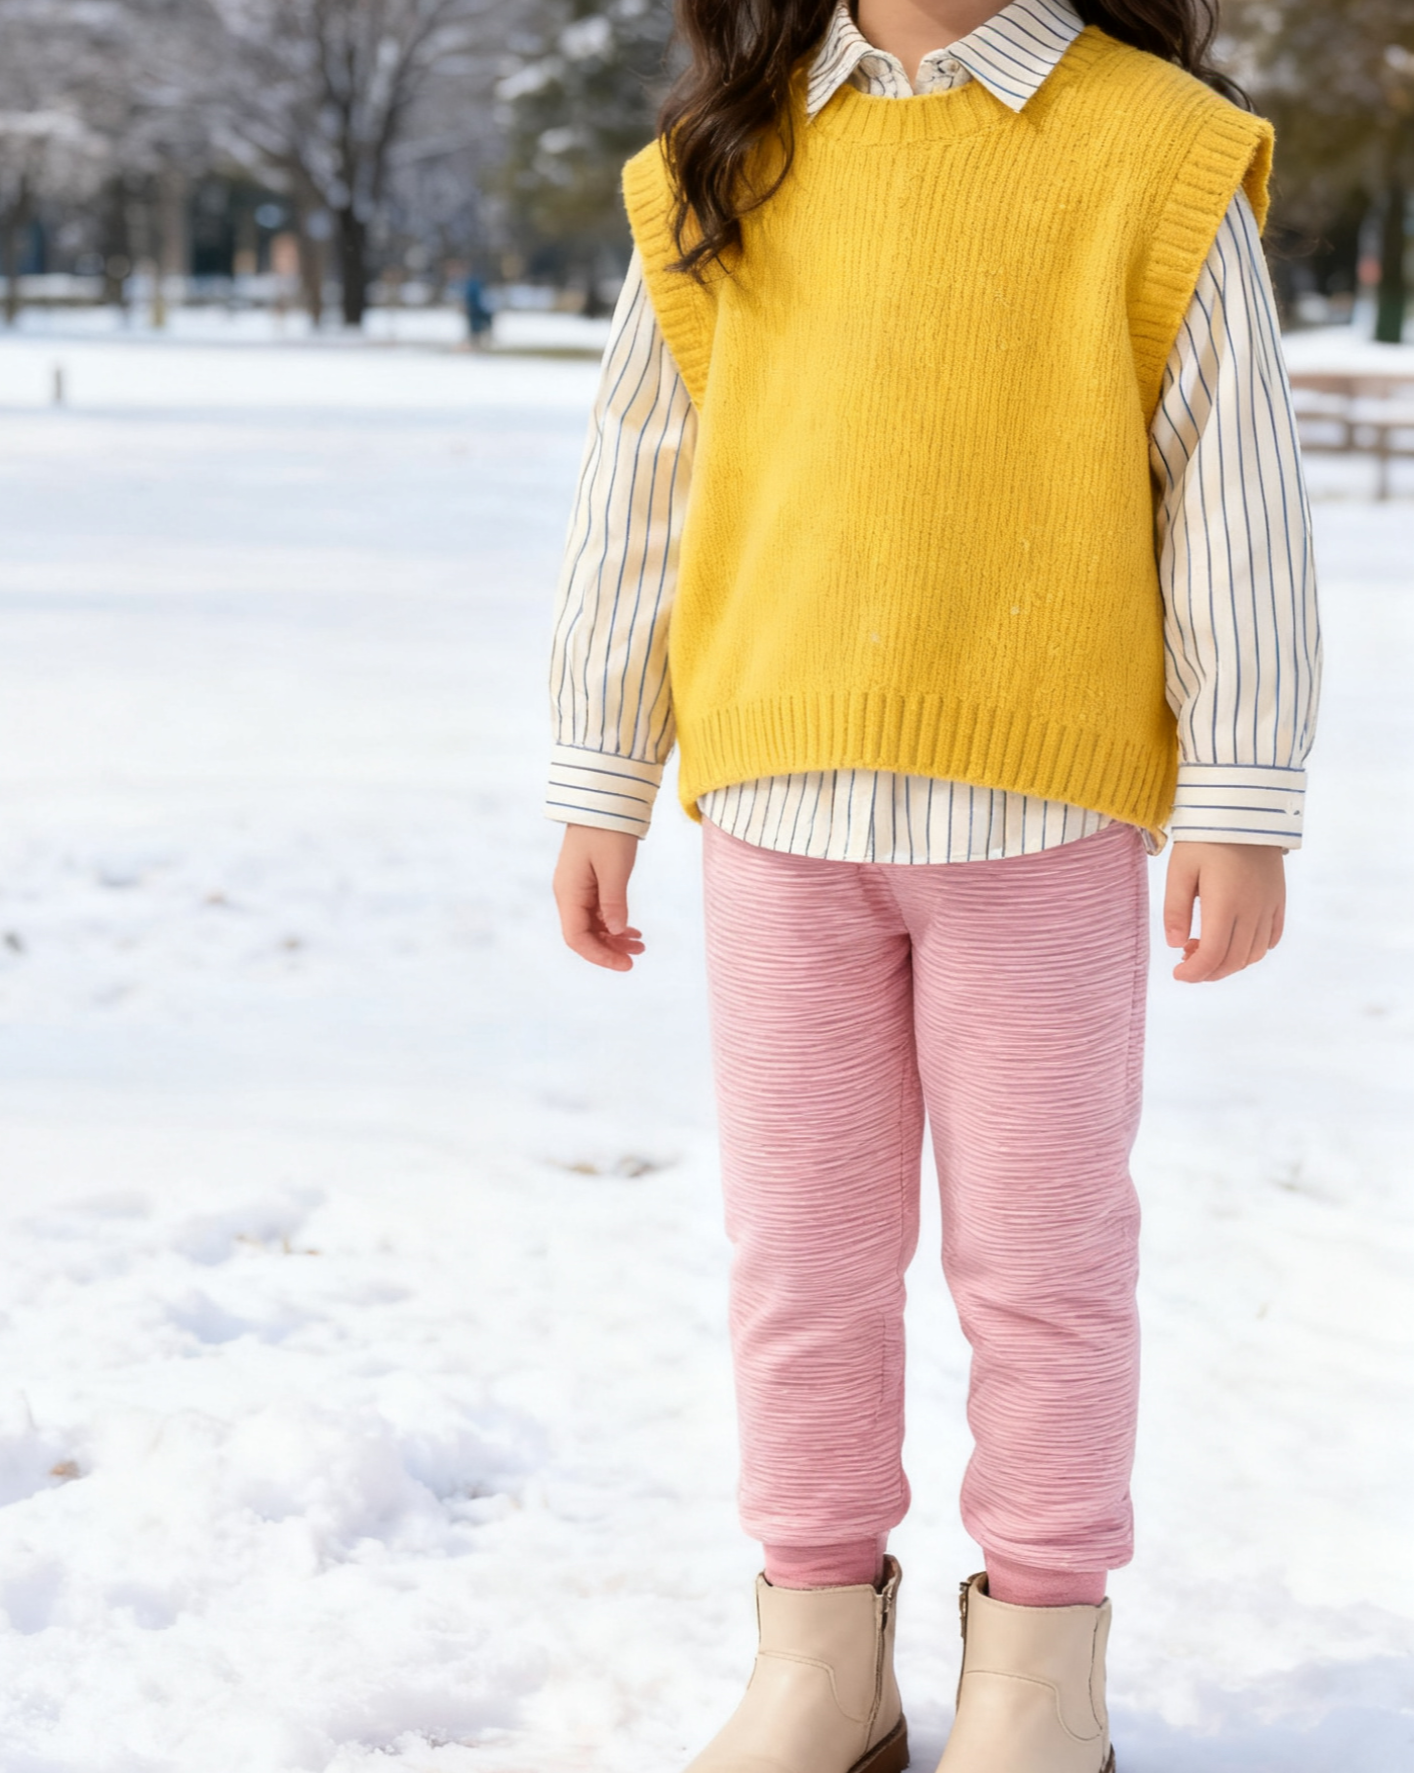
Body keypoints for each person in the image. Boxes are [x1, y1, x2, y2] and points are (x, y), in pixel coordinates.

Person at [545, 1, 1319, 1769]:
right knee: (799, 1255)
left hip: (1040, 823)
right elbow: (637, 481)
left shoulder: (1153, 143)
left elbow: (1232, 488)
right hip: (772, 805)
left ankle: (1041, 1665)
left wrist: (1241, 792)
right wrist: (603, 765)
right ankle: (815, 1649)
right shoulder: (714, 163)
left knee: (1041, 1260)